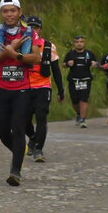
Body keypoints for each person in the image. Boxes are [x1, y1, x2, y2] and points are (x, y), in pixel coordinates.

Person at [0, 0, 42, 186]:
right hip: (0, 87)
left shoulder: (29, 32)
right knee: (3, 132)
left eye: (13, 10)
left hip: (22, 89)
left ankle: (15, 172)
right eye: (5, 11)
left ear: (19, 12)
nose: (9, 14)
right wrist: (8, 50)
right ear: (1, 13)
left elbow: (36, 58)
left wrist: (15, 54)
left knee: (18, 127)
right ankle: (20, 151)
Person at [24, 15, 65, 162]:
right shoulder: (20, 45)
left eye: (35, 27)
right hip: (24, 86)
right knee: (23, 119)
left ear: (40, 29)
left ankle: (38, 149)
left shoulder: (48, 46)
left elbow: (56, 70)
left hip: (43, 86)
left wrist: (61, 90)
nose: (33, 30)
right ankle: (33, 137)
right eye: (30, 27)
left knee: (41, 117)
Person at [63, 36, 97, 128]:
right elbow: (63, 64)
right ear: (74, 43)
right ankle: (78, 113)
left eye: (81, 42)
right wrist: (68, 64)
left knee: (83, 99)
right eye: (77, 42)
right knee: (75, 101)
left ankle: (82, 119)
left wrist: (94, 64)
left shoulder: (89, 53)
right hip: (74, 80)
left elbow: (96, 62)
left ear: (84, 43)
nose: (79, 43)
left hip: (85, 79)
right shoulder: (70, 54)